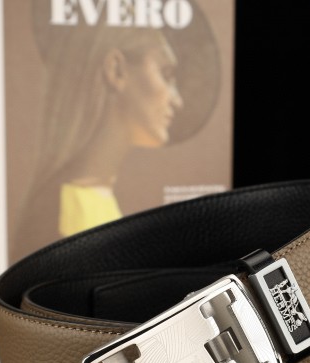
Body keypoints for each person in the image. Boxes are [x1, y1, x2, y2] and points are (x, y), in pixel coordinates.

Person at [12, 7, 185, 261]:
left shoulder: (97, 197)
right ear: (116, 70)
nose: (178, 101)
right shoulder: (65, 209)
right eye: (166, 74)